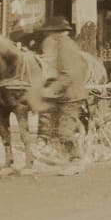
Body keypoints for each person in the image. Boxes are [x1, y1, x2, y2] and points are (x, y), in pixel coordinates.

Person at [34, 16, 89, 167]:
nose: (47, 36)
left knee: (64, 132)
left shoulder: (64, 46)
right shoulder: (62, 45)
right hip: (65, 94)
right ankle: (59, 154)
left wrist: (50, 89)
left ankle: (76, 161)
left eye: (49, 33)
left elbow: (68, 74)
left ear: (56, 33)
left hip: (71, 95)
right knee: (50, 122)